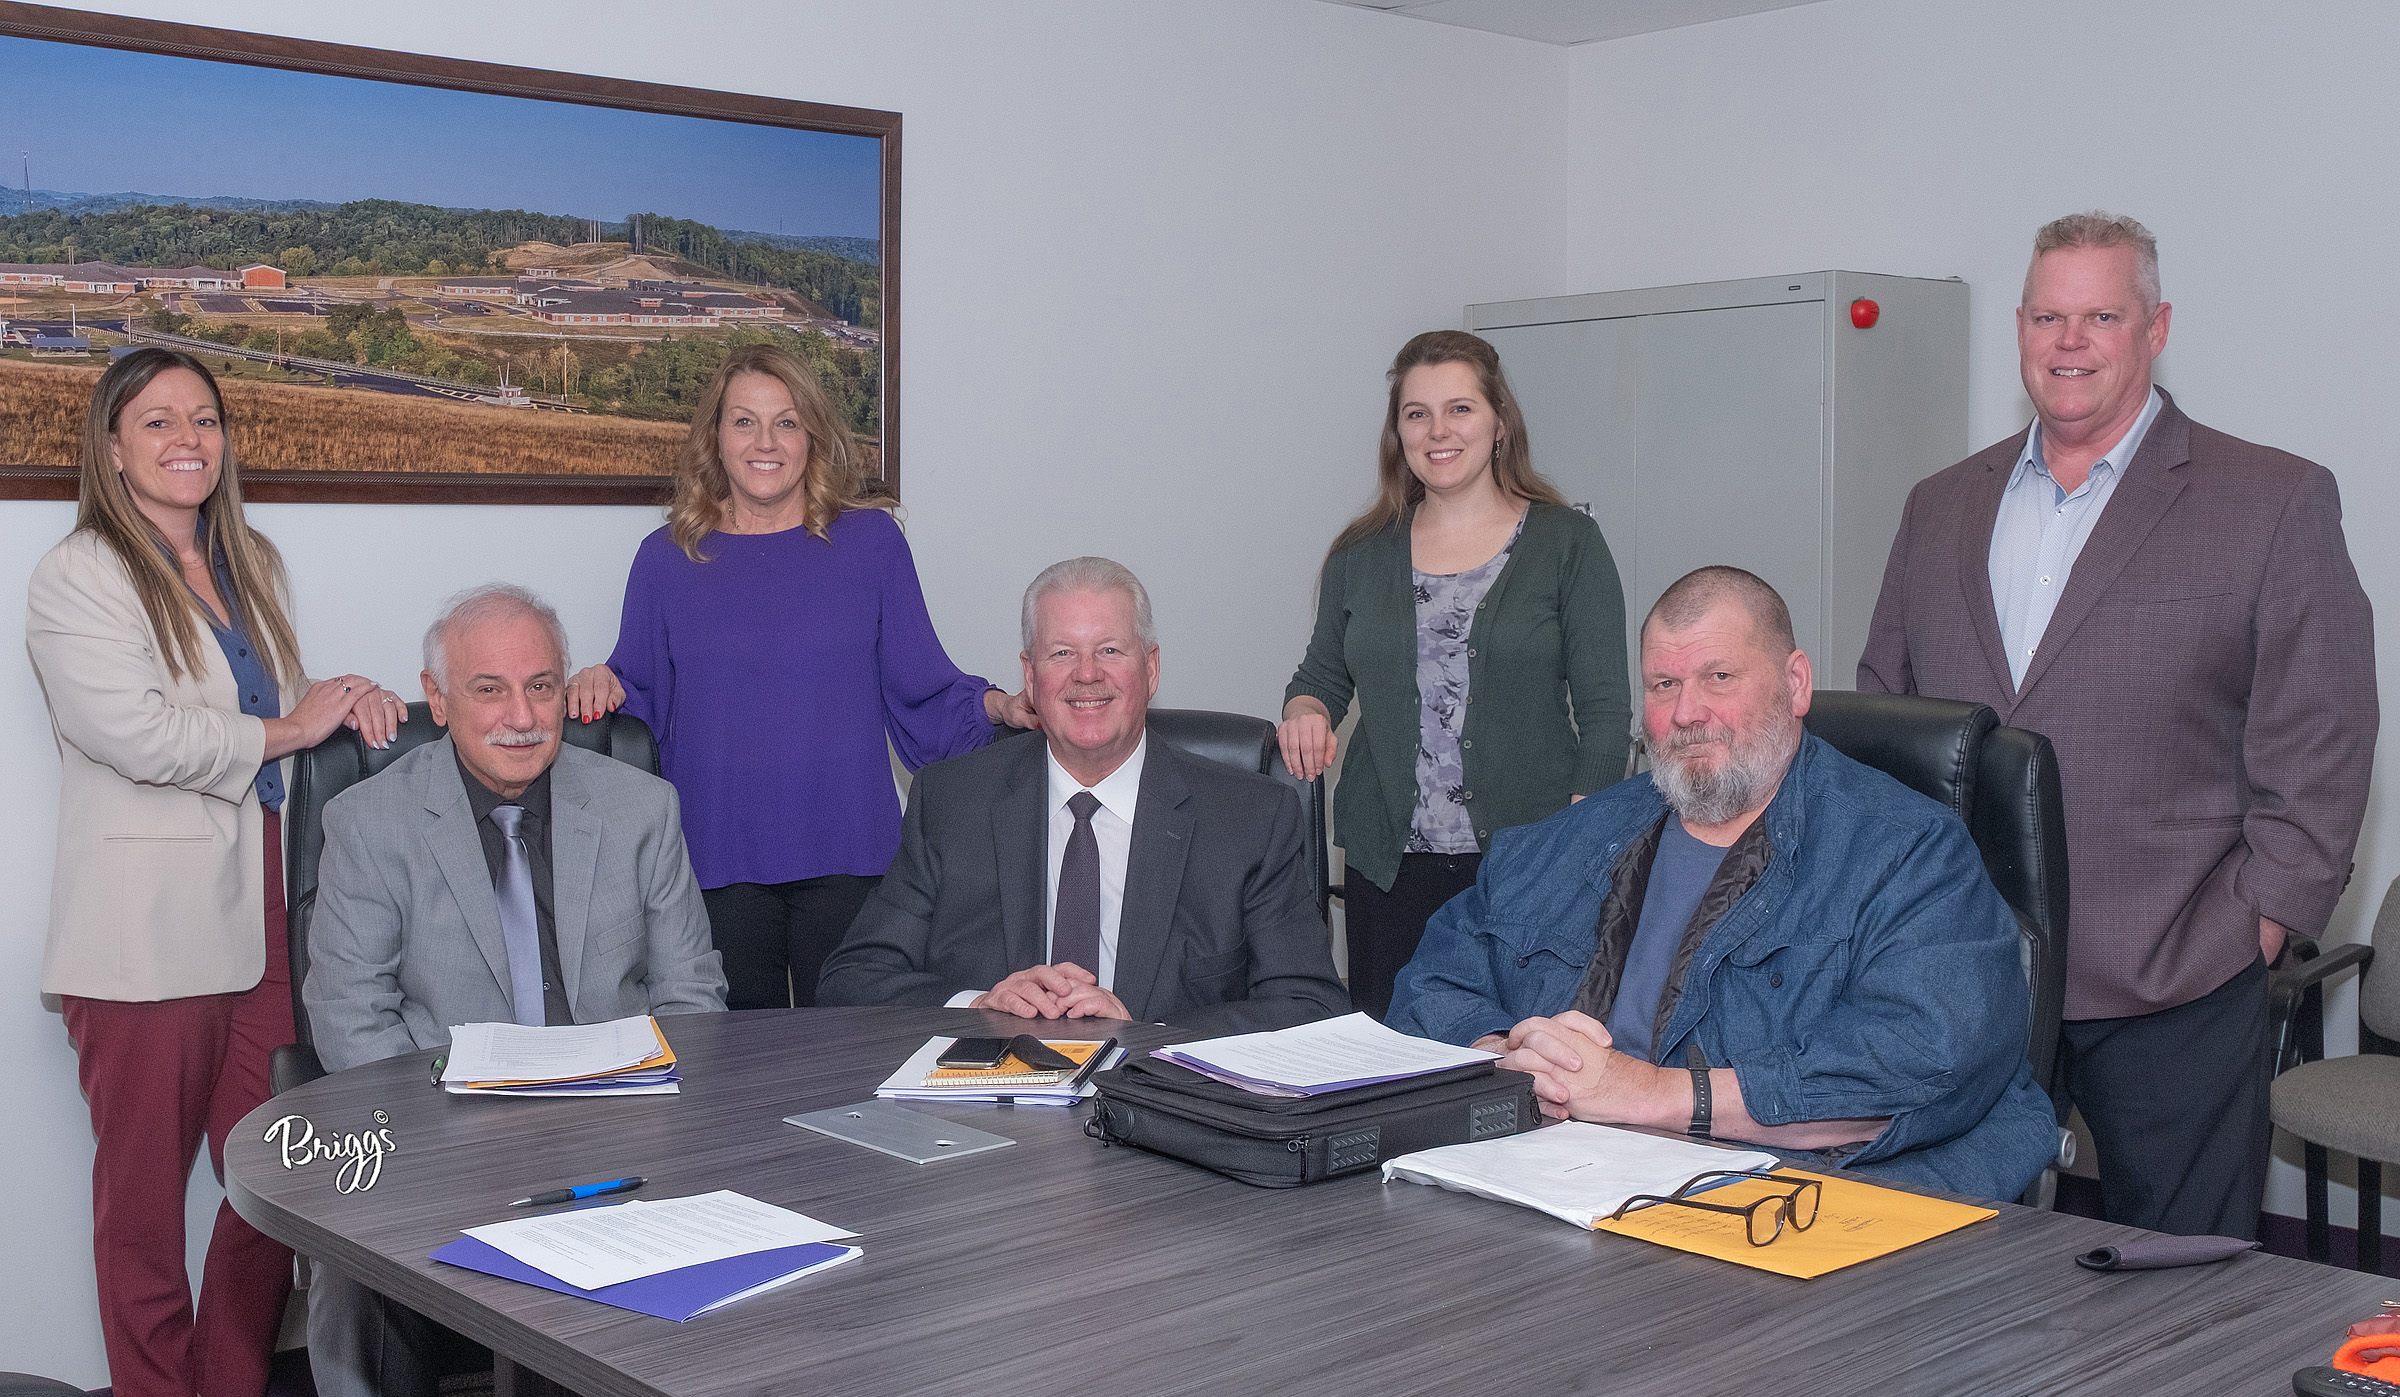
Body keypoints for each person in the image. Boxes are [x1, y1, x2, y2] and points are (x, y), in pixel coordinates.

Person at [1859, 212, 2375, 1238]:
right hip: (1968, 969)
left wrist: (2263, 920)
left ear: (2156, 328)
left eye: (2101, 316)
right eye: (2048, 316)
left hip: (2181, 967)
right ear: (2020, 328)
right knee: (1942, 1262)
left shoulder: (2271, 500)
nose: (2070, 341)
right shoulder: (1939, 506)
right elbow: (1888, 709)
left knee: (2185, 1276)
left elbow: (2323, 732)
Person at [26, 348, 403, 1397]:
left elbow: (271, 710)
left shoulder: (250, 561)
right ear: (112, 445)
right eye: (157, 420)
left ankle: (234, 1383)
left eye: (204, 418)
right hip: (140, 929)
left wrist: (346, 701)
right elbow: (139, 735)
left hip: (260, 907)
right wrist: (292, 730)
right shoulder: (79, 574)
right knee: (142, 1187)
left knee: (284, 1155)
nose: (187, 438)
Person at [1388, 567, 2058, 1202]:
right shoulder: (1564, 843)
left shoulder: (1910, 852)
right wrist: (1504, 1060)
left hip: (1786, 1208)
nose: (1688, 712)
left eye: (1719, 677)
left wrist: (1651, 1093)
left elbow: (1926, 1062)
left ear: (1796, 684)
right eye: (1663, 685)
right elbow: (1428, 988)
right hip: (1550, 1183)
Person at [303, 583, 726, 1397]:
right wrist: (450, 1138)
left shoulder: (640, 807)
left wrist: (657, 1112)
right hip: (442, 1125)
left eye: (541, 685)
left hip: (619, 1123)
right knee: (346, 1253)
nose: (522, 715)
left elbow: (694, 996)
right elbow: (350, 1016)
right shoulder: (371, 821)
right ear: (436, 698)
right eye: (488, 689)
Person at [565, 345, 1035, 1011]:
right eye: (744, 421)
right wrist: (596, 682)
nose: (766, 443)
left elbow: (921, 685)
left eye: (786, 422)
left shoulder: (872, 544)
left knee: (855, 1059)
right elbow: (636, 700)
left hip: (851, 853)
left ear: (812, 435)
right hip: (715, 860)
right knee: (734, 1065)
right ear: (715, 437)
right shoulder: (666, 558)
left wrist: (1000, 707)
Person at [819, 559, 1347, 1033]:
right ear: (1030, 676)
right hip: (994, 1097)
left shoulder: (1249, 817)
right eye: (1062, 653)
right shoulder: (952, 802)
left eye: (1110, 650)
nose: (1087, 674)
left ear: (1151, 669)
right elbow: (853, 978)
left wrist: (1145, 1033)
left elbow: (1310, 1004)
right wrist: (978, 1004)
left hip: (1161, 1095)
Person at [1280, 329, 1629, 1020]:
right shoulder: (1360, 553)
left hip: (1527, 862)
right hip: (1388, 870)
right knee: (1391, 1057)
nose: (1438, 431)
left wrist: (1583, 834)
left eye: (1460, 409)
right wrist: (1305, 711)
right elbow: (1320, 676)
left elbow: (1606, 707)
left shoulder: (1567, 543)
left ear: (1500, 424)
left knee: (1521, 1056)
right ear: (1399, 433)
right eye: (1417, 414)